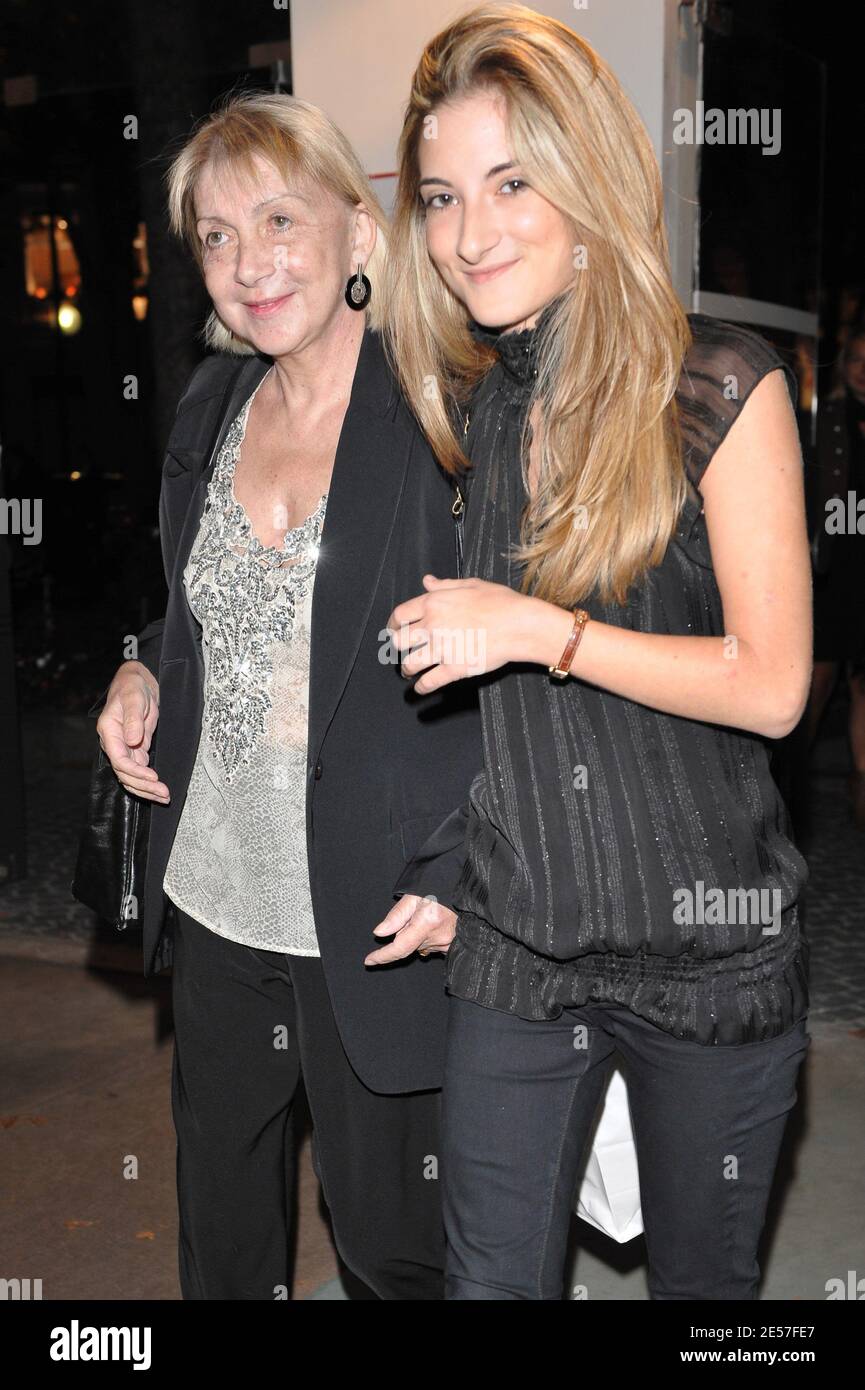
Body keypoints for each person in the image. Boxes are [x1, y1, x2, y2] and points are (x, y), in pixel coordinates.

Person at [378, 3, 813, 1300]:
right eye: (444, 195)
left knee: (704, 1292)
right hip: (521, 948)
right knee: (487, 1284)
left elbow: (774, 685)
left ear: (586, 179)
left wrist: (545, 633)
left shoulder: (719, 388)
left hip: (710, 961)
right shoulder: (480, 412)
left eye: (511, 182)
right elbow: (464, 704)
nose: (469, 233)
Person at [93, 91, 482, 1301]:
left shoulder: (441, 414)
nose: (246, 264)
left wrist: (465, 867)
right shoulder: (212, 407)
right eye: (214, 236)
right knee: (223, 1240)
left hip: (372, 911)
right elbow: (196, 608)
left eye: (277, 220)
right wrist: (141, 663)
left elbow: (517, 672)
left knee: (389, 1250)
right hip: (214, 893)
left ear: (359, 236)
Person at [803, 328, 865, 828]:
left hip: (862, 562)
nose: (863, 369)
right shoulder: (828, 419)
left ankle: (860, 794)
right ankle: (790, 781)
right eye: (856, 359)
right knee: (818, 677)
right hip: (832, 564)